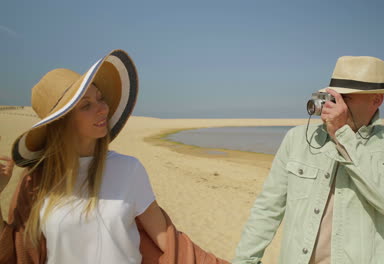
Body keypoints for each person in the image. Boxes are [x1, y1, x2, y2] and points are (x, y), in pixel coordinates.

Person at [0, 50, 228, 264]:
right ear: (62, 123)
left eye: (100, 98)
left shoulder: (129, 169)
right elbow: (14, 254)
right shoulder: (35, 183)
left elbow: (171, 243)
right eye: (86, 105)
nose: (102, 109)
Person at [233, 56, 384, 264]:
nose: (335, 104)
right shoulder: (297, 138)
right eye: (333, 96)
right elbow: (268, 208)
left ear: (376, 100)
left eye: (346, 98)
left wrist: (342, 136)